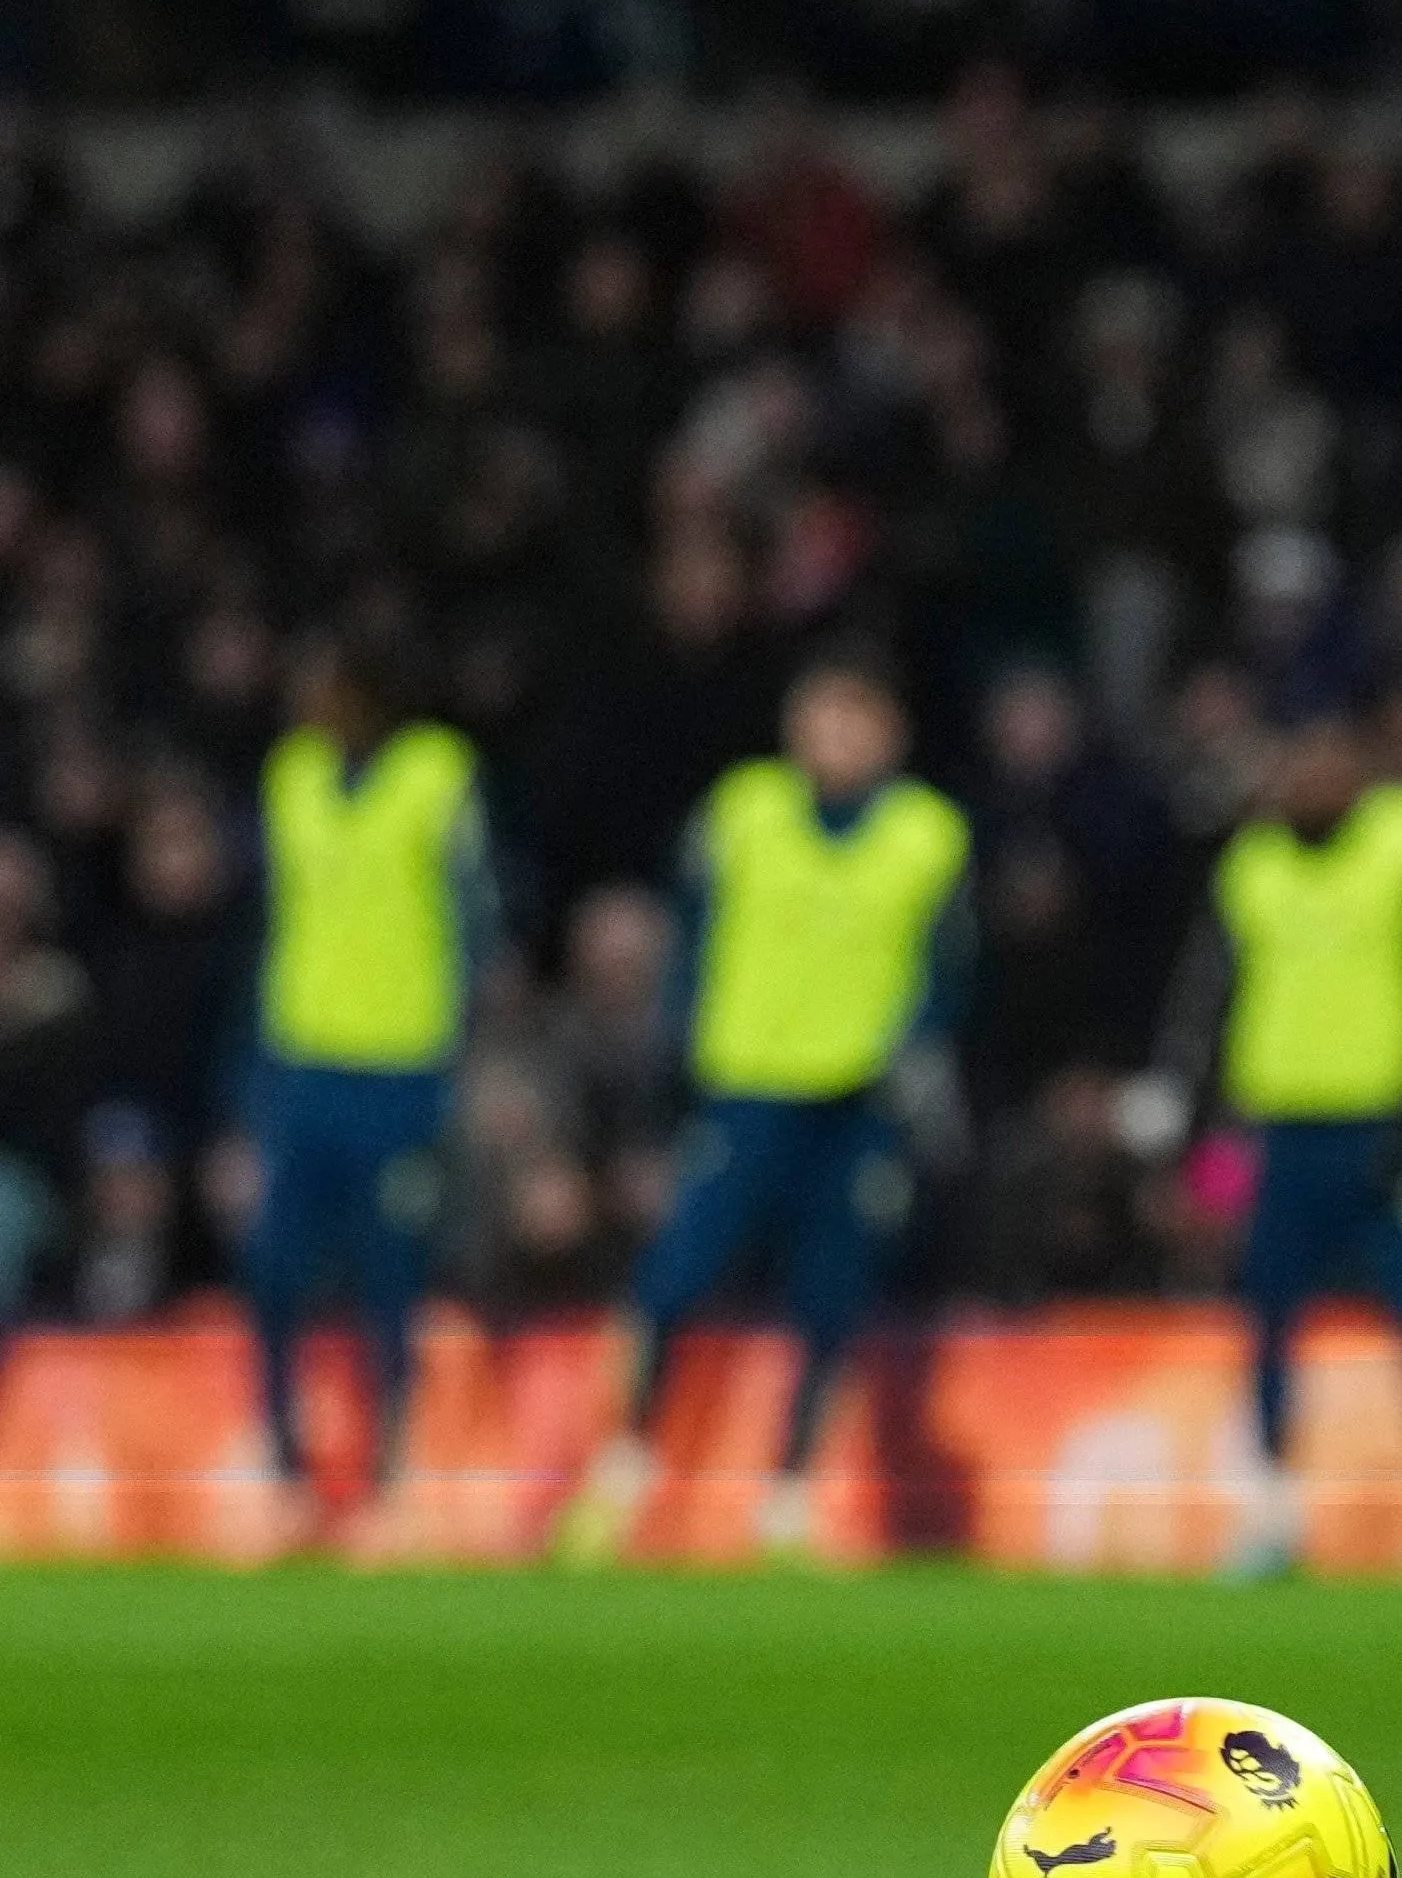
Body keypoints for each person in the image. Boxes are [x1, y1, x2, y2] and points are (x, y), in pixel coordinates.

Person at [553, 651, 971, 1562]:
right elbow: (692, 945)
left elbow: (948, 973)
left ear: (889, 735)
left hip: (859, 1099)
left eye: (856, 720)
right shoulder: (743, 813)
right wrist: (668, 1090)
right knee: (674, 1279)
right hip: (746, 1089)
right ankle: (618, 1472)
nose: (838, 738)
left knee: (831, 1299)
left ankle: (790, 1498)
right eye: (823, 716)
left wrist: (916, 1076)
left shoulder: (925, 836)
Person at [1121, 710, 1402, 1577]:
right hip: (1283, 1129)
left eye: (1329, 751)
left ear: (1364, 760)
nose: (1311, 773)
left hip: (1386, 1127)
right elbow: (1205, 991)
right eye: (1297, 753)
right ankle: (1271, 1511)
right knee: (1269, 1317)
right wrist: (1180, 1097)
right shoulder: (1252, 864)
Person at [243, 633, 502, 1549]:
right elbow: (273, 919)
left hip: (402, 1066)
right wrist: (249, 1082)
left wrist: (471, 1053)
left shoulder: (437, 776)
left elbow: (478, 915)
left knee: (390, 1279)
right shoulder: (292, 777)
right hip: (303, 1060)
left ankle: (395, 1487)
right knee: (273, 1271)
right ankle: (281, 1477)